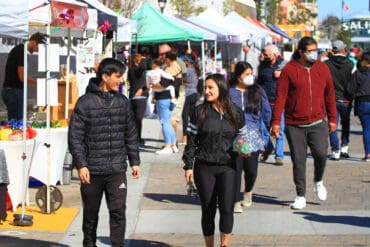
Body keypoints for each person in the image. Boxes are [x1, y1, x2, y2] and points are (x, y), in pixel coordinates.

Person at [68, 58, 141, 247]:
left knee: (118, 212)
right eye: (117, 77)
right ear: (105, 76)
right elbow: (75, 137)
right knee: (91, 214)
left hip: (117, 169)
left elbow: (130, 133)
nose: (120, 81)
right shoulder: (84, 103)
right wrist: (81, 164)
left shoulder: (123, 102)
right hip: (92, 169)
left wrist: (135, 161)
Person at [270, 36, 337, 210]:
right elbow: (281, 97)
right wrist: (276, 121)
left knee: (321, 154)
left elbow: (330, 94)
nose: (315, 54)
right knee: (298, 161)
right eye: (310, 51)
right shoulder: (289, 70)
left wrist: (332, 118)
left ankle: (318, 180)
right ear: (301, 51)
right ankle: (300, 195)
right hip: (294, 125)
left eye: (316, 50)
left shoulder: (322, 68)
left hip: (318, 122)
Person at [182, 74, 245, 247]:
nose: (207, 91)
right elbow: (191, 142)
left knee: (227, 209)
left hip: (229, 167)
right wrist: (188, 166)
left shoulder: (236, 113)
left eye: (211, 88)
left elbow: (243, 140)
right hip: (204, 167)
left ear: (221, 89)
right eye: (206, 88)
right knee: (208, 210)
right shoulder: (198, 112)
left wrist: (244, 148)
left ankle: (224, 245)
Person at [229, 61, 271, 213]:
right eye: (246, 74)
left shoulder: (257, 90)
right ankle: (235, 201)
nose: (250, 77)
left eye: (251, 73)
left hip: (252, 134)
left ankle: (248, 191)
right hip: (233, 135)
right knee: (235, 169)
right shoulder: (229, 91)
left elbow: (266, 111)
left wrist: (271, 126)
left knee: (251, 170)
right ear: (238, 76)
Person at [2, 32, 47, 120]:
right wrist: (39, 83)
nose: (36, 51)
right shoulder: (20, 51)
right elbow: (22, 77)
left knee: (16, 122)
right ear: (33, 42)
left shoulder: (20, 50)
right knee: (17, 123)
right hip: (13, 92)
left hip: (12, 91)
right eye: (37, 48)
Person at [325, 40, 355, 160]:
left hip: (331, 98)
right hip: (346, 99)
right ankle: (344, 147)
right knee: (346, 123)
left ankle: (335, 150)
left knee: (332, 124)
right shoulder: (351, 64)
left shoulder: (326, 64)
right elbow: (354, 82)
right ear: (343, 50)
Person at [257, 44, 286, 166]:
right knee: (263, 128)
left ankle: (279, 156)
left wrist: (281, 74)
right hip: (265, 102)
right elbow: (259, 82)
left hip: (279, 102)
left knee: (280, 129)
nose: (264, 56)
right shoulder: (262, 66)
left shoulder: (284, 65)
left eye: (267, 55)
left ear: (274, 55)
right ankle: (268, 147)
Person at [346, 51, 370, 161]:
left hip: (362, 103)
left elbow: (350, 90)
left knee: (366, 129)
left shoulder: (358, 73)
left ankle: (368, 154)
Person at [127, 54, 149, 146]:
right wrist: (144, 58)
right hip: (139, 97)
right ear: (137, 62)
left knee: (135, 118)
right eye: (139, 61)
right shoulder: (135, 70)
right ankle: (137, 138)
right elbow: (144, 67)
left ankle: (135, 137)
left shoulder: (132, 70)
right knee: (138, 118)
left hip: (134, 96)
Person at [180, 55, 199, 145]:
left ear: (187, 62)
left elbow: (183, 81)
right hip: (194, 94)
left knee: (185, 117)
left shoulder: (187, 70)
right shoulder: (195, 70)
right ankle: (193, 136)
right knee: (192, 117)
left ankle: (185, 138)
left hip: (187, 95)